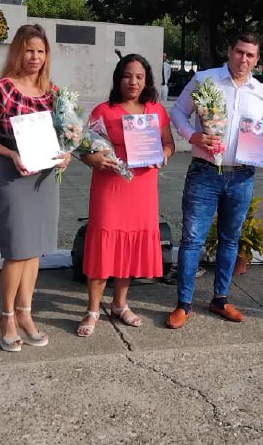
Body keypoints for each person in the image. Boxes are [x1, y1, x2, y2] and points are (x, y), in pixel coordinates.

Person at [167, 33, 263, 329]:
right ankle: (183, 303)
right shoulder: (206, 80)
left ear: (257, 60)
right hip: (204, 172)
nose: (244, 59)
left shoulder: (262, 92)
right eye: (239, 52)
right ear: (229, 51)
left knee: (230, 239)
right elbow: (178, 111)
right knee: (192, 239)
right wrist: (192, 135)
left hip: (242, 175)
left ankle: (220, 298)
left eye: (250, 55)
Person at [0, 24, 70, 352]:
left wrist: (66, 154)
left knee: (35, 248)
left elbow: (63, 134)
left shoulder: (52, 92)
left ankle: (26, 313)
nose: (35, 57)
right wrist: (10, 153)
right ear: (17, 52)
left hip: (44, 176)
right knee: (17, 250)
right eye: (29, 50)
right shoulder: (3, 88)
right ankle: (7, 317)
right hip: (12, 172)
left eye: (40, 51)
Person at [77, 53, 175, 336]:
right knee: (103, 246)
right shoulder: (103, 111)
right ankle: (92, 310)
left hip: (142, 189)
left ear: (147, 80)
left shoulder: (155, 110)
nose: (133, 82)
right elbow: (84, 149)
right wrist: (93, 159)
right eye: (128, 76)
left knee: (128, 248)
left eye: (139, 77)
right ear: (118, 78)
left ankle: (120, 304)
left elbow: (169, 143)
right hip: (110, 188)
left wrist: (164, 153)